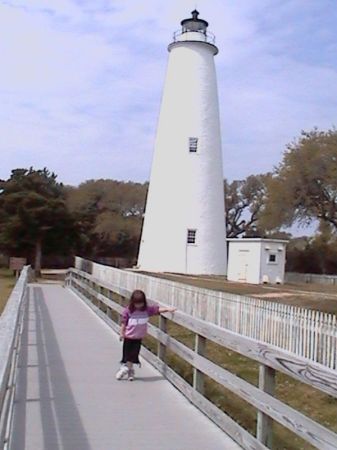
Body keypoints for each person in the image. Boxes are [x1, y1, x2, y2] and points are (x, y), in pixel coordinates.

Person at [116, 289, 176, 381]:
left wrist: (168, 309)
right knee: (127, 355)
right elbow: (123, 323)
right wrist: (121, 333)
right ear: (133, 302)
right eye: (137, 303)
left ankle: (129, 370)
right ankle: (126, 369)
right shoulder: (128, 311)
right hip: (128, 337)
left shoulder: (146, 310)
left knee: (134, 355)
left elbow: (157, 309)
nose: (139, 305)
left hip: (138, 337)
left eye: (141, 303)